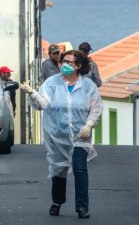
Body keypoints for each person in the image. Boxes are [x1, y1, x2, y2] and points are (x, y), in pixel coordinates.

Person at [20, 50, 102, 219]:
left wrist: (89, 124)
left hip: (80, 135)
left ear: (78, 66)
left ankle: (82, 207)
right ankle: (57, 202)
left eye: (69, 62)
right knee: (59, 170)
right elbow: (44, 103)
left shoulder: (88, 86)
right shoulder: (52, 83)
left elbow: (96, 107)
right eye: (63, 61)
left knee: (80, 169)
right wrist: (33, 93)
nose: (64, 65)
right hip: (56, 136)